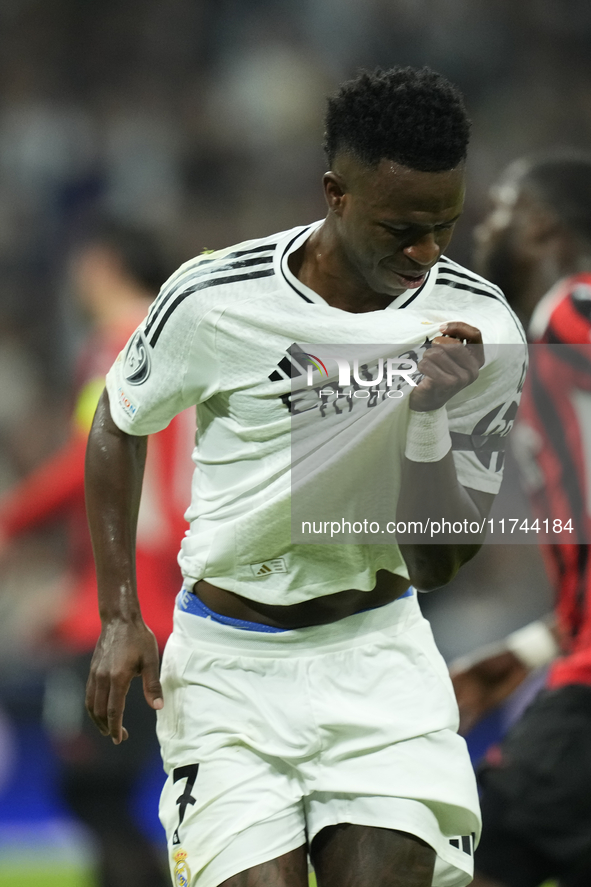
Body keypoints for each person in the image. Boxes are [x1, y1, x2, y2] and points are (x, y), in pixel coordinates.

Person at [84, 67, 526, 887]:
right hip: (227, 674)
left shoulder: (481, 328)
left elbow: (435, 562)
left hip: (378, 661)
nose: (425, 252)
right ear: (335, 192)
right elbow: (119, 418)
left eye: (444, 226)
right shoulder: (216, 300)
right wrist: (120, 613)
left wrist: (427, 418)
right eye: (401, 228)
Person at [0, 220, 194, 887]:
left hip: (125, 611)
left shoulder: (122, 345)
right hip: (161, 597)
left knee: (93, 790)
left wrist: (10, 521)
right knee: (100, 793)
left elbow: (89, 462)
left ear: (101, 264)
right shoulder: (174, 342)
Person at [452, 151, 591, 887]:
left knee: (457, 857)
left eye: (501, 210)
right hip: (573, 658)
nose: (485, 229)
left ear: (540, 227)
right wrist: (519, 654)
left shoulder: (571, 307)